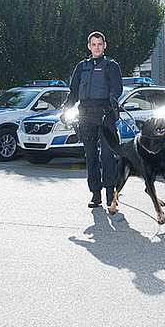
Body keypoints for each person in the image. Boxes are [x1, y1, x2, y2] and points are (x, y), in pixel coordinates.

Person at [62, 31, 123, 208]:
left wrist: (113, 97)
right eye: (93, 44)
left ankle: (111, 193)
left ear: (105, 46)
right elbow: (73, 93)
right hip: (86, 116)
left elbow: (117, 87)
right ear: (89, 46)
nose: (97, 47)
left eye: (100, 44)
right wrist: (66, 109)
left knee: (107, 155)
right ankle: (95, 194)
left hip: (105, 115)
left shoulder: (111, 65)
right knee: (91, 156)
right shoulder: (81, 67)